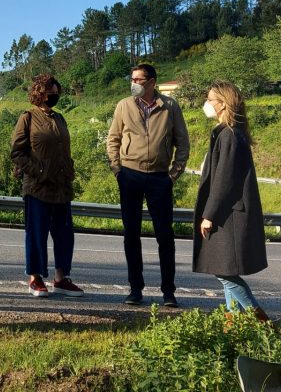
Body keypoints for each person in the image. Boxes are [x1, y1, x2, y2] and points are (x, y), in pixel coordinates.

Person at [107, 63, 190, 307]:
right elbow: (113, 139)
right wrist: (117, 170)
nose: (134, 83)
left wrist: (173, 175)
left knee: (165, 236)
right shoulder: (124, 105)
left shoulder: (170, 106)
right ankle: (135, 289)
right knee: (131, 235)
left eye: (139, 79)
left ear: (152, 81)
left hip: (159, 178)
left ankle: (168, 292)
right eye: (132, 78)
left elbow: (182, 142)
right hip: (130, 175)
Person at [193, 81, 270, 321]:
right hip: (229, 213)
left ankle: (260, 322)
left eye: (209, 100)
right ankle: (234, 323)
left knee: (225, 272)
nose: (206, 104)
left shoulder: (229, 135)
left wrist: (209, 215)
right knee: (224, 270)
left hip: (229, 215)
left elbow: (224, 181)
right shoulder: (230, 133)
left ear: (223, 104)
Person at [10, 74, 84, 298]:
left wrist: (69, 170)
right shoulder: (28, 118)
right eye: (51, 92)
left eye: (57, 92)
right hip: (37, 188)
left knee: (64, 235)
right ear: (39, 93)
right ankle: (35, 278)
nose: (55, 96)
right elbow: (17, 152)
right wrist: (38, 171)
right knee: (37, 234)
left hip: (62, 187)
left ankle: (61, 279)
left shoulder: (60, 118)